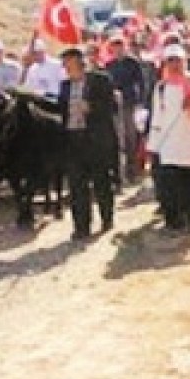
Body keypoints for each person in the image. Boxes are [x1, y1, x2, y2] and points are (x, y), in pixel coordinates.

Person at [145, 45, 190, 233]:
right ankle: (173, 221)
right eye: (170, 60)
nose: (175, 65)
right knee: (171, 186)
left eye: (178, 60)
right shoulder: (161, 87)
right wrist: (152, 146)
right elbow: (157, 117)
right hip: (169, 145)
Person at [57, 47, 118, 240]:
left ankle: (107, 218)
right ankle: (81, 226)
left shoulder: (100, 80)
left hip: (95, 140)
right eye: (64, 64)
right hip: (73, 139)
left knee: (101, 181)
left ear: (78, 62)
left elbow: (112, 107)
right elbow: (60, 109)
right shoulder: (65, 86)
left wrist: (92, 108)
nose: (65, 67)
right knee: (77, 185)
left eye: (68, 63)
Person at [104, 34, 147, 183]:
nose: (118, 50)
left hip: (129, 102)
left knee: (131, 137)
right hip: (114, 105)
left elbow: (141, 83)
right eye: (115, 47)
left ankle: (132, 170)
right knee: (117, 137)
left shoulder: (132, 63)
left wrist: (140, 101)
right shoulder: (109, 65)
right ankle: (119, 172)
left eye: (120, 46)